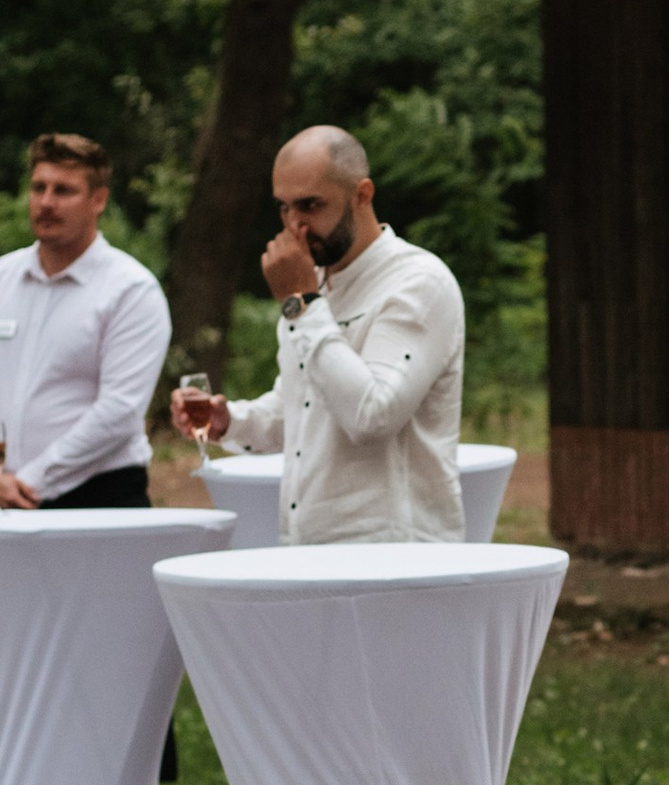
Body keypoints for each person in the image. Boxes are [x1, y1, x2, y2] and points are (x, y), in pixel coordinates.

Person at [169, 125, 465, 544]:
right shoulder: (312, 287)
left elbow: (371, 415)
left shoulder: (418, 282)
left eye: (310, 206)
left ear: (363, 194)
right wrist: (229, 421)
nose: (295, 227)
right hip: (310, 546)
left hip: (395, 554)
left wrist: (301, 303)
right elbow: (302, 409)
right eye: (284, 208)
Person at [0, 133, 170, 514]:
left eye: (63, 190)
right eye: (38, 188)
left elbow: (119, 410)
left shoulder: (131, 290)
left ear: (99, 200)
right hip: (4, 494)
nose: (46, 202)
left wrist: (31, 482)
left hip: (101, 497)